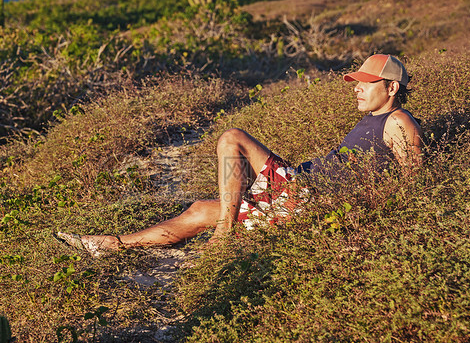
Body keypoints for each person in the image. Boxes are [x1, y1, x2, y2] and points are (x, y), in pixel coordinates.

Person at [56, 54, 423, 257]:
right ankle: (110, 245)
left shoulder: (398, 121)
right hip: (299, 192)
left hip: (309, 198)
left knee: (232, 138)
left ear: (391, 87)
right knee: (201, 209)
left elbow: (416, 184)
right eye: (357, 82)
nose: (357, 88)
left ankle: (225, 234)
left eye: (366, 83)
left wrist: (364, 222)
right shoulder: (373, 118)